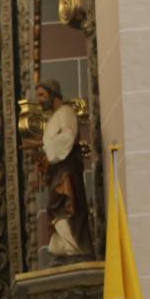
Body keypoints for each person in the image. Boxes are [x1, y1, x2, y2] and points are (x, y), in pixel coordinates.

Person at [33, 79, 93, 262]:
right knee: (56, 208)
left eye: (42, 95)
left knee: (64, 206)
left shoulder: (66, 112)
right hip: (59, 169)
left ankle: (73, 246)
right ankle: (63, 247)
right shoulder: (55, 117)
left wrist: (46, 146)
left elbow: (68, 137)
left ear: (53, 94)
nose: (40, 100)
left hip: (66, 170)